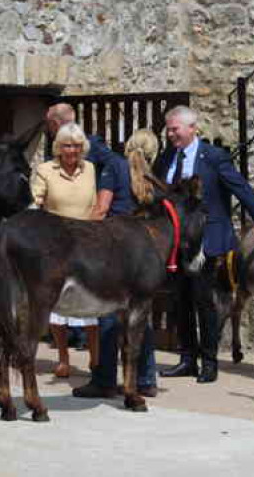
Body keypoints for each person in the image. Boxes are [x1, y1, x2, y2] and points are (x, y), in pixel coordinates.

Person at [156, 105, 254, 384]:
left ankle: (209, 362)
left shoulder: (213, 157)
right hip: (176, 242)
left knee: (205, 301)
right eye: (169, 129)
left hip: (206, 242)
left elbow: (241, 189)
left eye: (175, 129)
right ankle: (187, 359)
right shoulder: (166, 158)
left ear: (191, 128)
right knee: (180, 301)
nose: (171, 134)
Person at [72, 128, 160, 400]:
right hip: (143, 251)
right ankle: (145, 379)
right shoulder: (153, 177)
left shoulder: (115, 166)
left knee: (109, 315)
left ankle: (104, 380)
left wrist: (79, 237)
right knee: (139, 318)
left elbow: (101, 208)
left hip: (114, 248)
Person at [31, 121, 99, 378]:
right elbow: (36, 201)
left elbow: (95, 203)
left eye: (77, 145)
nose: (72, 150)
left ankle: (95, 359)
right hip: (56, 244)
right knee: (58, 304)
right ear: (58, 147)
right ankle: (63, 359)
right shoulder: (45, 170)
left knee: (91, 303)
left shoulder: (90, 169)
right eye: (67, 145)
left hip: (87, 242)